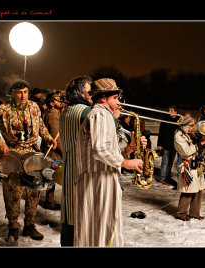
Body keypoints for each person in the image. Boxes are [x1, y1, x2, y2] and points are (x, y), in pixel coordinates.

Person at [74, 78, 146, 247]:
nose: (118, 102)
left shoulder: (100, 114)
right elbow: (100, 150)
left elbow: (107, 152)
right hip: (99, 181)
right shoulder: (100, 114)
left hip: (98, 179)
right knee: (103, 231)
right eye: (115, 98)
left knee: (96, 230)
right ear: (103, 99)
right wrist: (127, 163)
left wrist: (131, 147)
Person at [0, 80, 57, 242]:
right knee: (13, 192)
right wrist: (1, 144)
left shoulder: (34, 107)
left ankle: (29, 225)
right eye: (19, 92)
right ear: (12, 93)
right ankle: (13, 226)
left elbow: (41, 126)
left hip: (32, 155)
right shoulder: (2, 110)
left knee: (34, 191)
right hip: (12, 156)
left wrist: (48, 138)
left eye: (25, 92)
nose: (23, 95)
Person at [58, 75, 93, 246]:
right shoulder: (86, 112)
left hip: (70, 167)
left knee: (69, 214)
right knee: (82, 215)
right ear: (82, 93)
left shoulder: (65, 111)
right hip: (82, 169)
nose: (93, 94)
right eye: (90, 91)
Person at [174, 117, 205, 221]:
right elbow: (186, 151)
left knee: (199, 188)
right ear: (185, 126)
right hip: (187, 163)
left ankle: (194, 212)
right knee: (188, 189)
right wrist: (198, 145)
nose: (193, 128)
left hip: (196, 162)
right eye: (191, 126)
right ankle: (181, 213)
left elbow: (195, 146)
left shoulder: (187, 134)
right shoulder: (178, 136)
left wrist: (202, 142)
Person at [40, 92, 64, 210]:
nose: (60, 102)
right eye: (57, 100)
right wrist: (64, 152)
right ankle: (49, 200)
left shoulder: (56, 115)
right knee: (50, 175)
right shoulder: (52, 115)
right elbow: (56, 137)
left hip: (55, 153)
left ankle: (50, 199)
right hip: (53, 154)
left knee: (51, 176)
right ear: (51, 103)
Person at [156, 105, 181, 187]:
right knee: (165, 161)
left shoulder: (178, 120)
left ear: (175, 112)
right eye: (169, 110)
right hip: (166, 144)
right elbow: (161, 132)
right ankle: (162, 177)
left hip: (174, 145)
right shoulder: (165, 119)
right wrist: (159, 144)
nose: (170, 111)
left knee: (170, 162)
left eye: (172, 110)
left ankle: (167, 176)